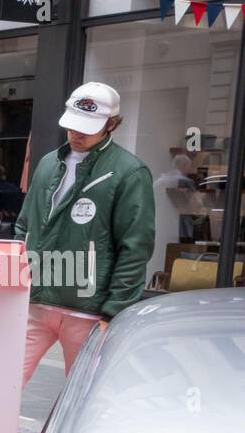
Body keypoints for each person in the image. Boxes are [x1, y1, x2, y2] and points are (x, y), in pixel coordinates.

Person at [18, 82, 155, 385]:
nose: (76, 133)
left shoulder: (129, 172)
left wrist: (114, 311)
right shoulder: (48, 163)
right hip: (35, 301)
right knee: (2, 382)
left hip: (87, 310)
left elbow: (135, 247)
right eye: (72, 125)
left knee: (82, 395)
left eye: (86, 127)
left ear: (112, 124)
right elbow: (24, 225)